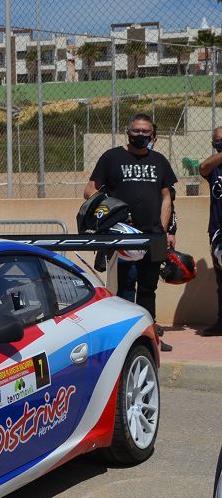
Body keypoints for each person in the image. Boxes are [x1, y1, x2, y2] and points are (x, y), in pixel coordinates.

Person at [84, 113, 177, 349]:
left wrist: (162, 231)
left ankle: (150, 337)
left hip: (152, 236)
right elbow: (90, 191)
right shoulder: (112, 157)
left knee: (148, 288)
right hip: (121, 237)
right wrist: (110, 217)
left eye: (145, 132)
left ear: (153, 135)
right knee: (125, 287)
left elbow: (167, 198)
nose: (140, 136)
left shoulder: (159, 161)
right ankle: (128, 339)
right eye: (136, 131)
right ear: (128, 133)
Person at [197, 126, 222, 335]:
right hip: (218, 231)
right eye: (217, 142)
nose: (219, 144)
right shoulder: (214, 167)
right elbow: (203, 167)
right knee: (221, 280)